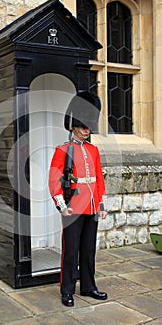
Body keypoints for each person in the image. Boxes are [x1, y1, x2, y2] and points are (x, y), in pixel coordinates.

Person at [49, 91, 108, 307]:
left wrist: (101, 203)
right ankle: (67, 290)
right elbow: (54, 181)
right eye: (83, 126)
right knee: (71, 250)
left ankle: (88, 286)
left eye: (88, 126)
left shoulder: (93, 150)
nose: (86, 130)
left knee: (88, 249)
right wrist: (62, 206)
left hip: (91, 206)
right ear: (74, 126)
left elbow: (98, 179)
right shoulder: (62, 150)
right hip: (73, 207)